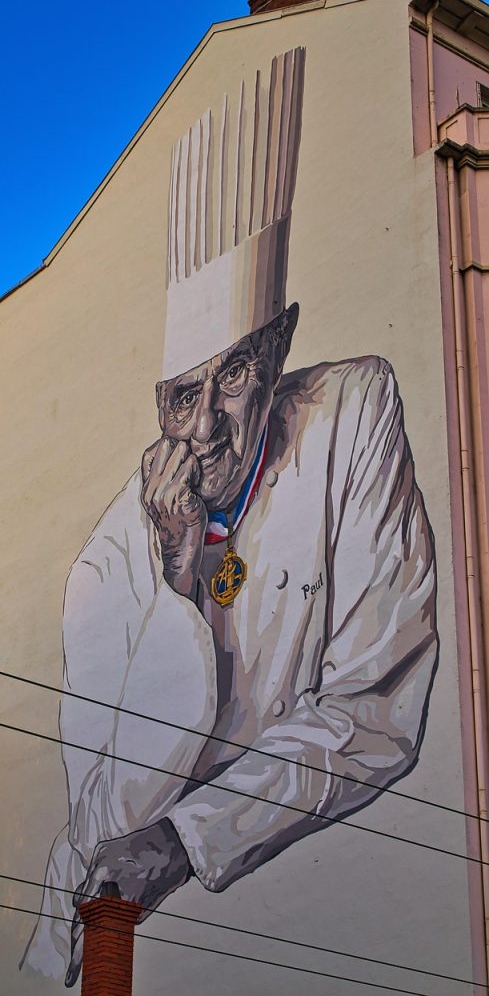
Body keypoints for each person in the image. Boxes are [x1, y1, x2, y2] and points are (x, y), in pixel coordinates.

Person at [22, 48, 438, 986]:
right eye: (181, 396)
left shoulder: (351, 410)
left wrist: (189, 838)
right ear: (156, 403)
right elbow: (110, 813)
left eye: (235, 374)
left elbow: (374, 709)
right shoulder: (107, 561)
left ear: (279, 350)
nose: (205, 425)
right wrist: (176, 583)